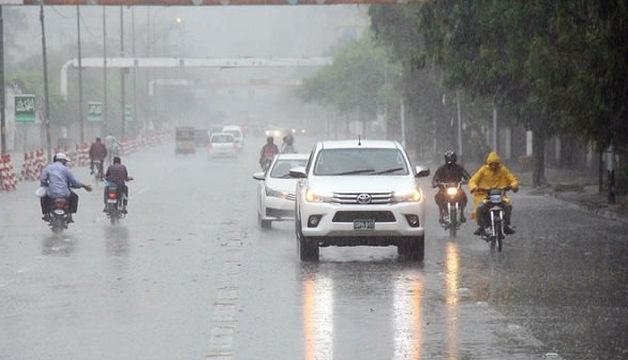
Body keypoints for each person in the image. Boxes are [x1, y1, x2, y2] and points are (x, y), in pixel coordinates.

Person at [468, 151, 519, 236]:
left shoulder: (503, 169)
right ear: (489, 163)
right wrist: (474, 187)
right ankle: (482, 227)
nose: (494, 166)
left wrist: (512, 185)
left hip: (500, 196)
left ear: (498, 163)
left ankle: (506, 225)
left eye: (496, 164)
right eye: (492, 164)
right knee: (480, 208)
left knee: (508, 206)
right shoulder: (483, 170)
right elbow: (473, 180)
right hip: (485, 196)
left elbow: (513, 179)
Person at [39, 153, 92, 222]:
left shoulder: (48, 168)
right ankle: (70, 214)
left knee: (43, 198)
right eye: (65, 161)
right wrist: (84, 186)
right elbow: (74, 182)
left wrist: (46, 185)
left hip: (51, 194)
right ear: (63, 161)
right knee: (75, 197)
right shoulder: (66, 169)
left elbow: (43, 180)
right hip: (65, 194)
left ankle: (46, 214)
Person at [431, 150, 471, 224]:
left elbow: (467, 177)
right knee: (438, 197)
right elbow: (435, 178)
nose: (450, 160)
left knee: (464, 197)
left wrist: (467, 181)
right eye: (448, 158)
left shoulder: (459, 168)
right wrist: (436, 183)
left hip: (457, 189)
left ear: (455, 158)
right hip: (444, 190)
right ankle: (442, 214)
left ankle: (462, 214)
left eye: (451, 158)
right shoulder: (441, 169)